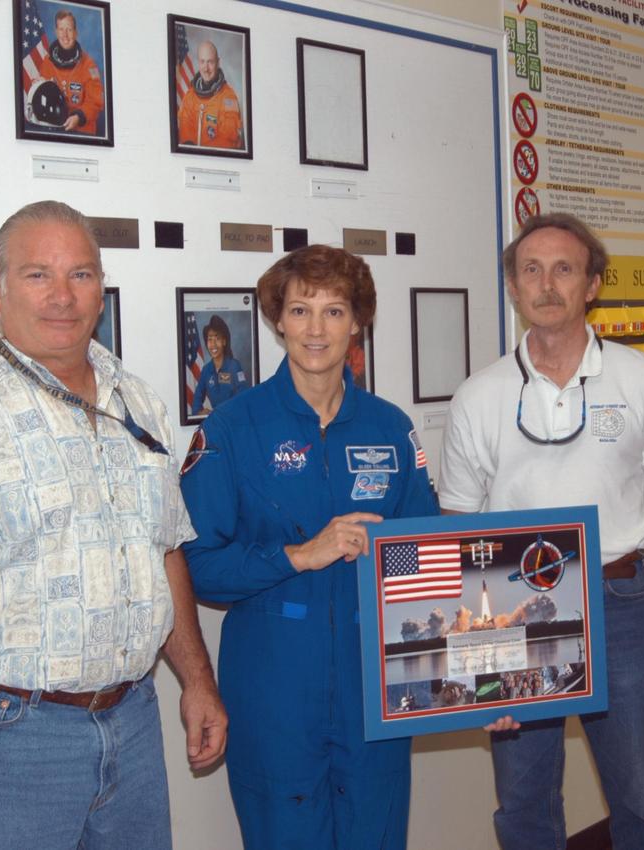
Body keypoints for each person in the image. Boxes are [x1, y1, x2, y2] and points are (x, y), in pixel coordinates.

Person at [0, 201, 226, 850]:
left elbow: (165, 551)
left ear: (101, 288)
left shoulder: (140, 403)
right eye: (38, 275)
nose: (63, 296)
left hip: (134, 723)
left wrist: (198, 681)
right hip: (7, 739)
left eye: (82, 275)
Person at [438, 212, 644, 850]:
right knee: (523, 801)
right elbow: (458, 524)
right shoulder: (479, 395)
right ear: (514, 288)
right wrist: (471, 649)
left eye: (564, 269)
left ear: (593, 284)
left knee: (635, 794)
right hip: (514, 617)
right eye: (531, 270)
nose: (547, 284)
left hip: (621, 603)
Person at [179, 245, 437, 849]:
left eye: (333, 311)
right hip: (275, 682)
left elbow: (428, 554)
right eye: (300, 311)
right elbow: (195, 566)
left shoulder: (390, 427)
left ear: (357, 322)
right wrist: (298, 555)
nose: (315, 330)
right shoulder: (229, 430)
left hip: (375, 680)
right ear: (277, 321)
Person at [29, 10, 104, 134]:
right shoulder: (48, 61)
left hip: (81, 131)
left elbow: (96, 102)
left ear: (75, 32)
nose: (65, 35)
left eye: (69, 29)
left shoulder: (89, 65)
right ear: (56, 32)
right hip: (55, 128)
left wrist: (79, 117)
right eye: (61, 29)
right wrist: (39, 85)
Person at [176, 39, 244, 149]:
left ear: (218, 62)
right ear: (198, 62)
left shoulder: (228, 98)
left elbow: (229, 140)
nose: (206, 68)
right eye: (202, 61)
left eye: (210, 62)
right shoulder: (190, 96)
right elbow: (185, 130)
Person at [191, 315, 247, 413]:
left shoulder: (234, 366)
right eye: (210, 339)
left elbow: (243, 397)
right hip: (216, 421)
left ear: (224, 341)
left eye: (217, 339)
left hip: (232, 420)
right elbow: (197, 398)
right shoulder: (206, 370)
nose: (213, 344)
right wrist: (199, 412)